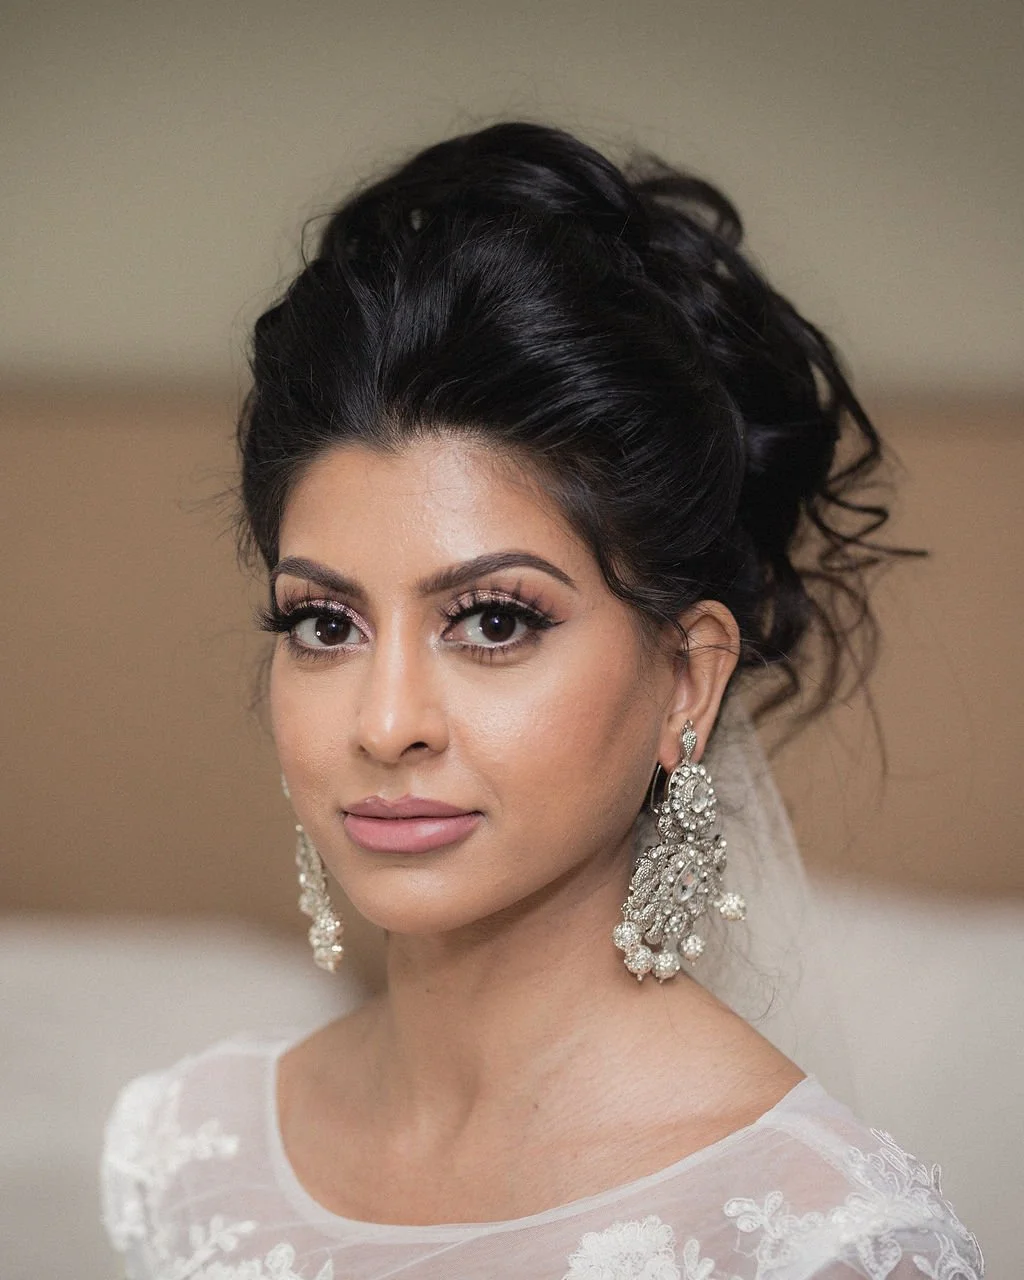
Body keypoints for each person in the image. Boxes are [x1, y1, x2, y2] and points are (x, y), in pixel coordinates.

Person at [99, 122, 983, 1279]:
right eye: (325, 624)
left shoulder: (812, 1234)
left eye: (495, 620)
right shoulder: (192, 1154)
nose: (385, 719)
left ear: (687, 677)